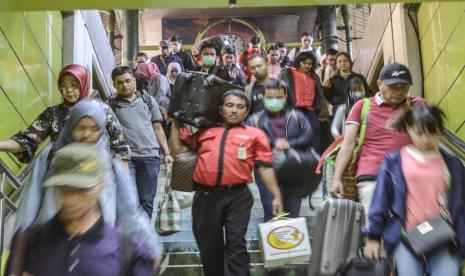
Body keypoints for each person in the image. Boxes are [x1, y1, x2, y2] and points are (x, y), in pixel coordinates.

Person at [13, 100, 161, 262]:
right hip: (51, 247)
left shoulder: (109, 163)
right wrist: (16, 256)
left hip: (96, 251)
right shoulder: (52, 156)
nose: (87, 135)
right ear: (70, 126)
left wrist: (152, 248)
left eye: (95, 128)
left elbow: (130, 213)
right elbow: (28, 208)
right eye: (81, 127)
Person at [169, 90, 283, 276]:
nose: (234, 110)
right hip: (206, 197)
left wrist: (276, 195)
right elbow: (178, 153)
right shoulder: (206, 131)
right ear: (220, 109)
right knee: (209, 248)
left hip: (238, 197)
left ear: (246, 112)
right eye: (229, 105)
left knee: (236, 244)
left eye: (240, 107)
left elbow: (265, 167)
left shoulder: (255, 135)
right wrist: (174, 125)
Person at [7, 143, 154, 275]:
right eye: (65, 189)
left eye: (82, 190)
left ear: (101, 186)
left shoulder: (127, 249)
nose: (72, 199)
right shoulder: (28, 241)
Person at [363, 104, 465, 276]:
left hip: (445, 236)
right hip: (405, 237)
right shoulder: (394, 161)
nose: (425, 139)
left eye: (432, 132)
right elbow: (380, 201)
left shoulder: (453, 163)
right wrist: (373, 237)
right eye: (419, 132)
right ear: (409, 128)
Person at [330, 63, 426, 218]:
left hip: (411, 176)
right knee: (375, 232)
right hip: (372, 177)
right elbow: (347, 145)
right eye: (393, 86)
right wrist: (336, 179)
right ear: (379, 84)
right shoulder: (363, 106)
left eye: (404, 87)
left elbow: (431, 139)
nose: (399, 91)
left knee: (414, 234)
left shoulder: (418, 105)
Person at [0, 64, 130, 163]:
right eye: (64, 85)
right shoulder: (53, 114)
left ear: (83, 84)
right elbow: (27, 140)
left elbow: (120, 147)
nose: (68, 90)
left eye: (74, 85)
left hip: (97, 180)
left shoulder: (102, 110)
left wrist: (123, 181)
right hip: (62, 180)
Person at [110, 66, 174, 218]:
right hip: (125, 159)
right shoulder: (111, 106)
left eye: (128, 81)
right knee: (129, 199)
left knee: (146, 200)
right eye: (120, 83)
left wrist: (167, 153)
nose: (124, 85)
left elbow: (158, 128)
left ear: (134, 81)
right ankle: (130, 238)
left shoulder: (148, 100)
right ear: (114, 85)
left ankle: (143, 238)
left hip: (150, 156)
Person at [248, 79, 312, 220]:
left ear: (285, 97)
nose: (274, 101)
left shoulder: (297, 116)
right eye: (270, 98)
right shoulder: (254, 120)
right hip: (266, 170)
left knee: (292, 213)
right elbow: (252, 140)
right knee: (272, 213)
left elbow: (308, 136)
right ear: (263, 98)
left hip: (293, 168)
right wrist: (274, 143)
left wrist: (289, 144)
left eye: (278, 97)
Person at [279, 51, 326, 152]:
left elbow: (320, 93)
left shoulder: (314, 76)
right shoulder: (287, 73)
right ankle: (294, 160)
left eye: (310, 64)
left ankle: (314, 160)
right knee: (294, 134)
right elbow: (279, 91)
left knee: (314, 131)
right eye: (304, 63)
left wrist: (322, 110)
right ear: (298, 62)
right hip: (293, 109)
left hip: (310, 110)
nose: (307, 66)